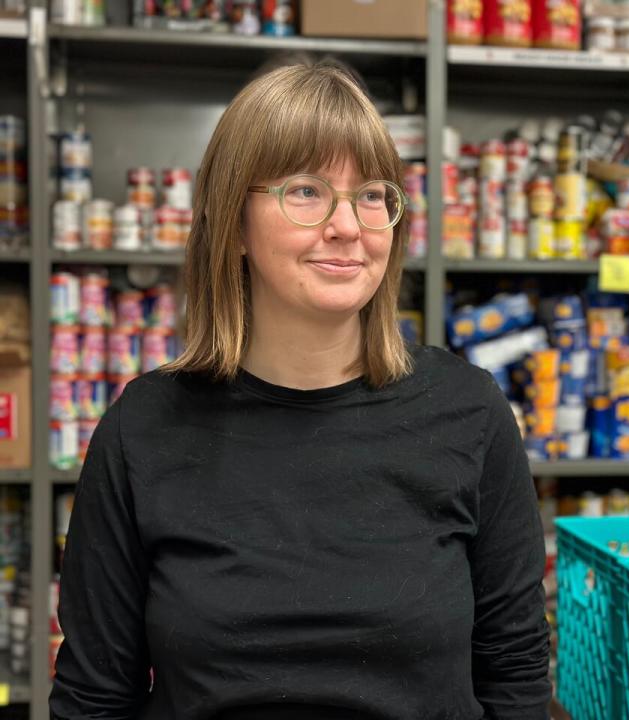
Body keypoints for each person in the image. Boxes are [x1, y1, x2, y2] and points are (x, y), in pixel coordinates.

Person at [50, 63, 551, 720]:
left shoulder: (470, 413)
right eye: (307, 191)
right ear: (232, 224)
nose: (349, 225)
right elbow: (93, 699)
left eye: (373, 195)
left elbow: (515, 677)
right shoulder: (142, 429)